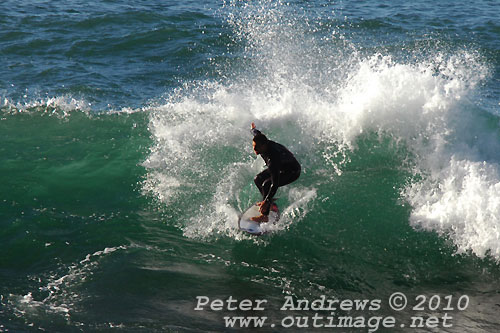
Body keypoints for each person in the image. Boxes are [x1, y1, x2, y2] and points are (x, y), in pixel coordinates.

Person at [250, 122, 301, 222]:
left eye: (256, 147)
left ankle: (264, 216)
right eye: (253, 146)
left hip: (292, 171)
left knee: (267, 184)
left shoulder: (273, 158)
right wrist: (253, 130)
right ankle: (269, 203)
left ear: (264, 146)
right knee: (258, 179)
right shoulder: (262, 141)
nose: (254, 149)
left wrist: (267, 199)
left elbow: (275, 183)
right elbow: (257, 135)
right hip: (282, 166)